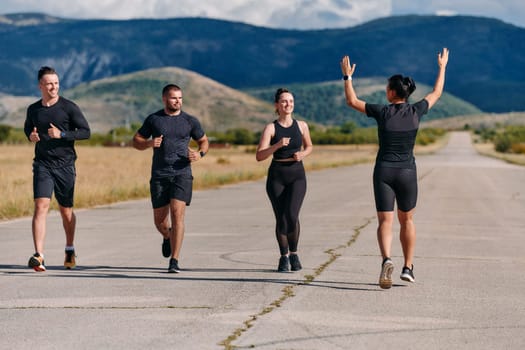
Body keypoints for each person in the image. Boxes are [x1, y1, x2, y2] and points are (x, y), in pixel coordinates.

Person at [340, 48, 449, 289]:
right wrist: (442, 67)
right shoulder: (416, 111)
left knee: (384, 221)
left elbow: (352, 101)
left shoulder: (382, 111)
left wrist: (348, 77)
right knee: (407, 220)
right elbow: (437, 92)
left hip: (384, 172)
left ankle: (387, 259)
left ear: (391, 92)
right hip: (407, 172)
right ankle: (408, 267)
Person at [133, 84, 209, 273]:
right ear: (164, 99)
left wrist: (200, 154)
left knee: (177, 215)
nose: (178, 101)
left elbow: (204, 141)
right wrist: (149, 143)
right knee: (160, 221)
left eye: (180, 98)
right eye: (174, 98)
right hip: (159, 175)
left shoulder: (190, 121)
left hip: (182, 174)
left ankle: (174, 260)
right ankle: (167, 236)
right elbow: (136, 141)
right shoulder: (154, 119)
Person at [24, 66, 91, 272]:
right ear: (40, 86)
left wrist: (62, 135)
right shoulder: (33, 109)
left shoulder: (69, 107)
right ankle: (39, 256)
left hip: (65, 166)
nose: (53, 87)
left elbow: (86, 132)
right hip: (43, 164)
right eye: (49, 83)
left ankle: (69, 248)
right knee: (40, 206)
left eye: (56, 83)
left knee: (66, 211)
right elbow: (28, 127)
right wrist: (31, 136)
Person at [256, 88, 313, 272]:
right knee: (281, 218)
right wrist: (277, 145)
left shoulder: (302, 125)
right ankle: (284, 257)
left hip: (297, 175)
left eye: (291, 101)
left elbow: (309, 146)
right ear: (277, 105)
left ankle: (294, 253)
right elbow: (259, 155)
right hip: (277, 176)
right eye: (284, 101)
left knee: (292, 215)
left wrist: (302, 154)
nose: (288, 104)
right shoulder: (271, 128)